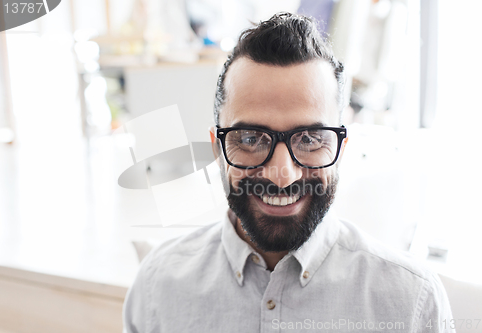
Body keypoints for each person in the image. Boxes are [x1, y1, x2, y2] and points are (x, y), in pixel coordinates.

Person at [123, 12, 454, 333]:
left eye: (309, 139)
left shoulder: (411, 302)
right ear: (217, 149)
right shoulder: (156, 287)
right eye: (251, 138)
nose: (283, 175)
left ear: (340, 148)